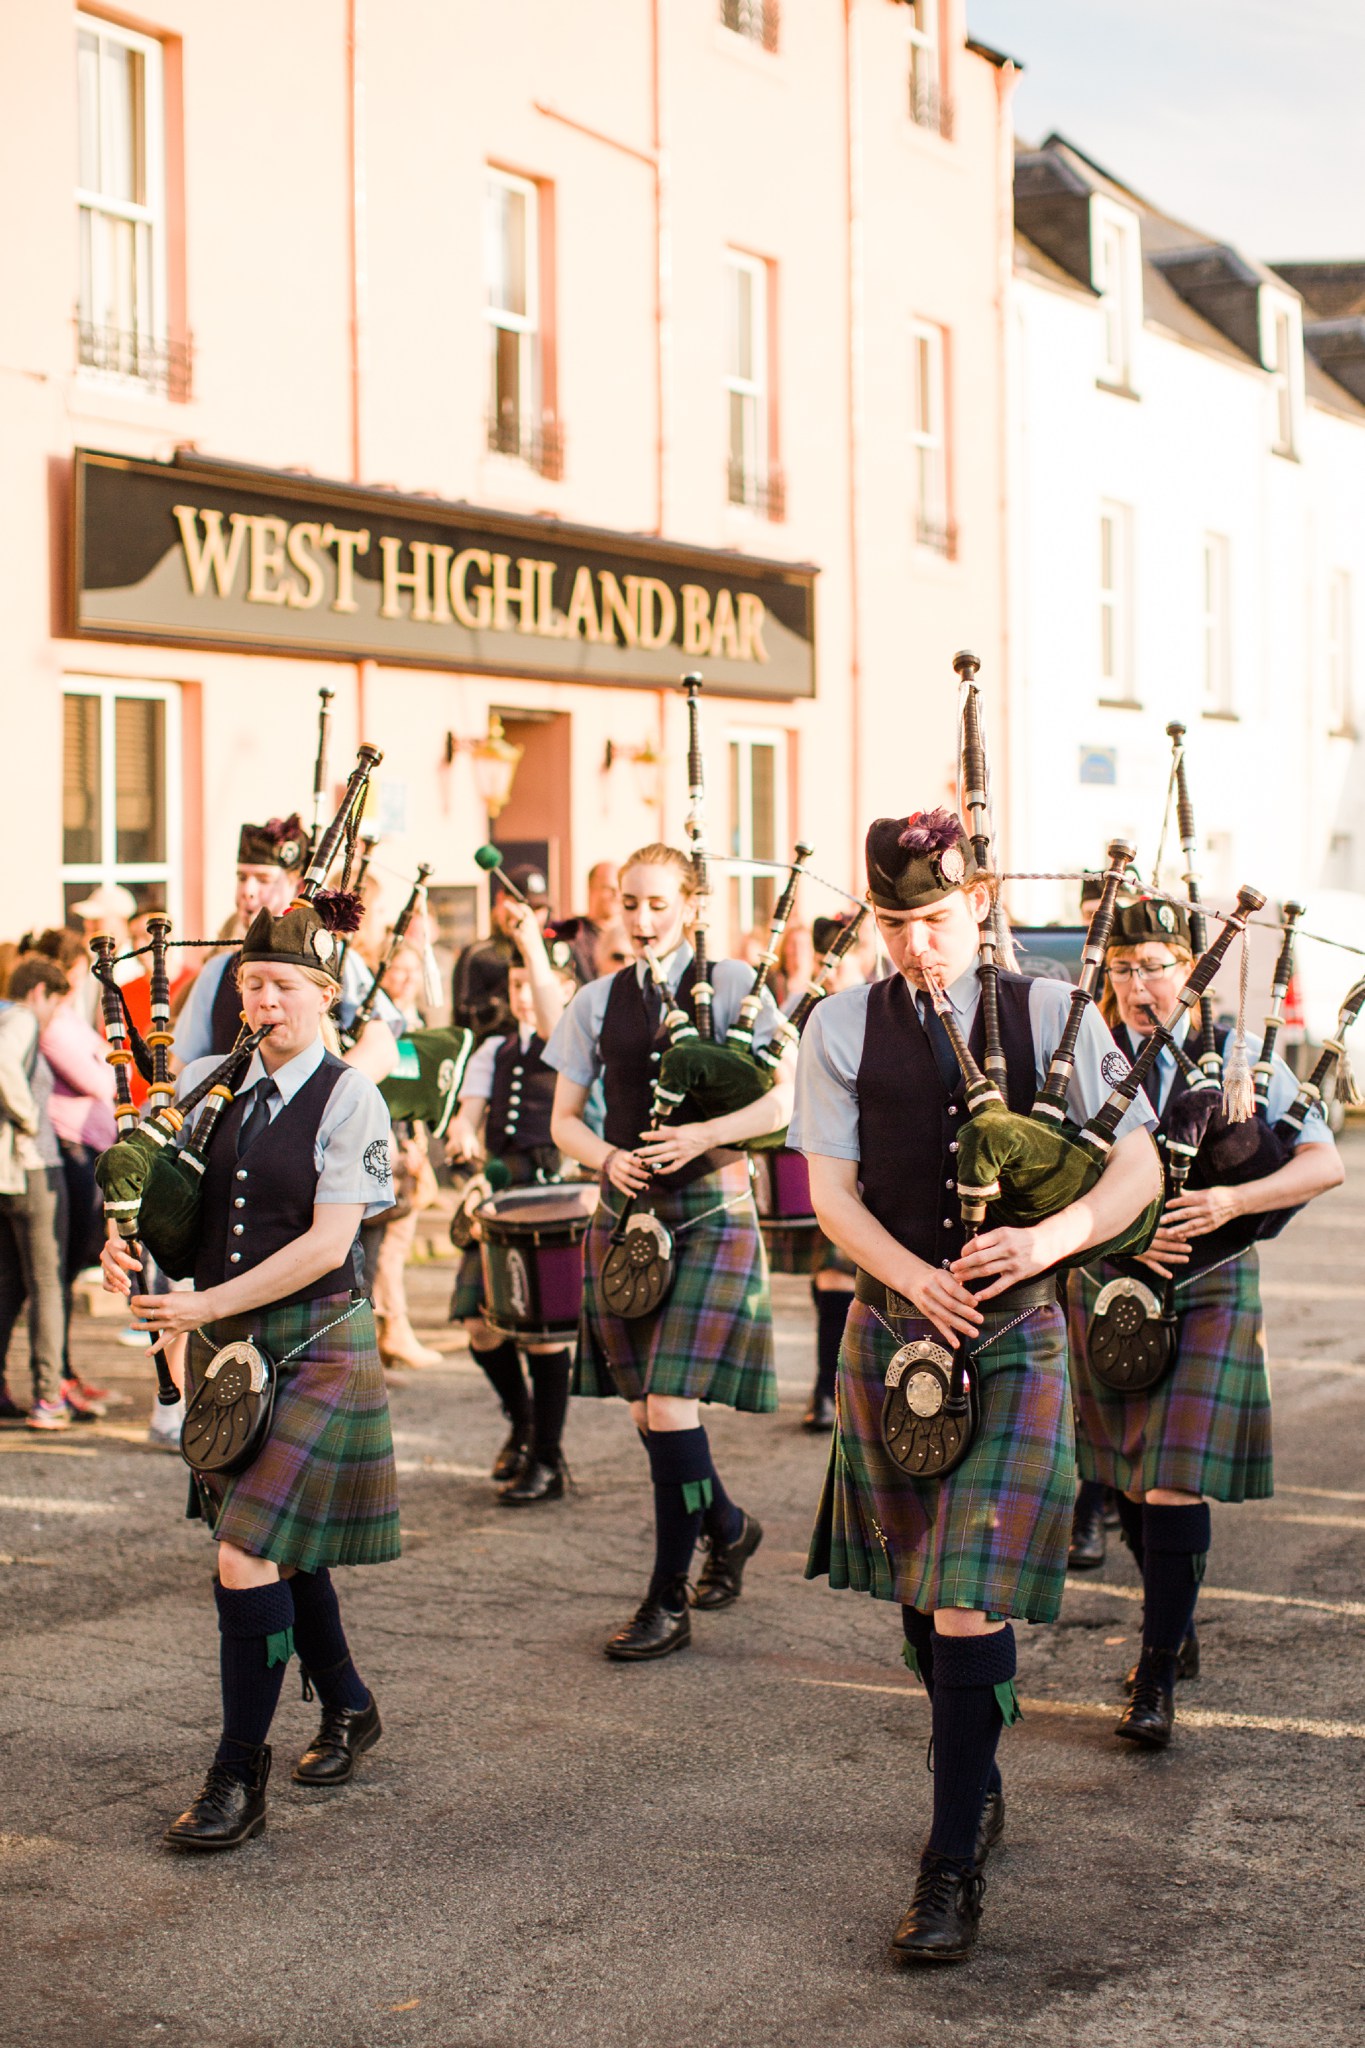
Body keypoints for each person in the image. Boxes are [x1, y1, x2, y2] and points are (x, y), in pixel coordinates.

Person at [791, 808, 1160, 1964]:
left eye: (936, 919)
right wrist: (911, 1278)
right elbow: (833, 1195)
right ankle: (976, 1770)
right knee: (921, 1589)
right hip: (897, 1328)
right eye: (895, 924)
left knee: (962, 1589)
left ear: (981, 900)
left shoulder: (1051, 1009)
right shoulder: (841, 1024)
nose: (916, 944)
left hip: (1016, 1335)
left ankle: (949, 1862)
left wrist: (1052, 1242)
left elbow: (1137, 1164)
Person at [101, 892, 400, 1852]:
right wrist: (131, 1253)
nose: (261, 1000)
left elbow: (329, 1242)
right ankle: (348, 1703)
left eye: (280, 985)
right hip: (230, 1345)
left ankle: (238, 1773)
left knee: (245, 1547)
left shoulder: (351, 1093)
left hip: (315, 1338)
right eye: (249, 985)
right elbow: (169, 1209)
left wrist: (200, 1307)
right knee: (273, 1542)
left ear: (323, 993)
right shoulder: (202, 1081)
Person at [1066, 896, 1343, 1748]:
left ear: (1190, 968)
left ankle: (1153, 1672)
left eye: (1155, 965)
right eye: (1122, 969)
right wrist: (1106, 1233)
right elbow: (1051, 1168)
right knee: (1123, 1478)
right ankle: (1171, 1621)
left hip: (1212, 1278)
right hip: (1111, 1281)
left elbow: (1321, 1165)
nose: (1140, 983)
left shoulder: (1240, 1057)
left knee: (1170, 1477)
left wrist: (1230, 1196)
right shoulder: (1085, 1056)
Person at [546, 844, 795, 1659]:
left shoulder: (735, 987)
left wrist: (703, 1134)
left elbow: (787, 1098)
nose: (642, 921)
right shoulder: (594, 1000)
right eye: (630, 905)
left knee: (667, 1405)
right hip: (625, 1212)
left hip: (710, 1206)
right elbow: (565, 1121)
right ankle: (728, 1525)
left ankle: (666, 1598)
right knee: (643, 1408)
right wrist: (602, 1158)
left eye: (658, 905)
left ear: (690, 905)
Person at [446, 909, 579, 1501]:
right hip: (498, 1199)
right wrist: (464, 1138)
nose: (525, 997)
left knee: (545, 1333)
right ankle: (524, 1423)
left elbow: (559, 1041)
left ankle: (547, 1460)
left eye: (537, 985)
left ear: (565, 988)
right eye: (517, 985)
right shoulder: (491, 1051)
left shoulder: (578, 1044)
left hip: (558, 1195)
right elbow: (468, 1115)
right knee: (478, 1325)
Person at [173, 817, 400, 1081]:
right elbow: (183, 1069)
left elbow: (381, 1051)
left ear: (297, 885)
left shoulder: (332, 958)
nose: (248, 890)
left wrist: (323, 1100)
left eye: (263, 879)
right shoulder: (216, 971)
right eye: (241, 877)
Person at [23, 928, 119, 1416]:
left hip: (86, 1150)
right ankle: (53, 1378)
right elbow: (102, 1078)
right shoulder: (53, 1024)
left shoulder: (65, 1020)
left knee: (62, 1271)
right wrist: (109, 1067)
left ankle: (62, 1370)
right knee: (57, 1273)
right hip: (71, 1151)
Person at [801, 913, 869, 1433]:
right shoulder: (807, 1009)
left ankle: (840, 1388)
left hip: (878, 1166)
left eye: (843, 955)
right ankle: (826, 1386)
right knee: (828, 1277)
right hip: (827, 1161)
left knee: (850, 1276)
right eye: (828, 958)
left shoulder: (881, 1009)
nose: (834, 967)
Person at [0, 958, 74, 1429]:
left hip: (7, 1176)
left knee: (7, 1283)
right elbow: (5, 1065)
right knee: (48, 1284)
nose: (53, 1018)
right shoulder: (23, 1017)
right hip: (33, 1165)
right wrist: (28, 1117)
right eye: (55, 1005)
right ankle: (49, 1396)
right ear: (41, 991)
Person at [451, 863, 552, 1042]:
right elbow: (464, 1017)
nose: (531, 915)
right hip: (492, 1054)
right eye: (525, 905)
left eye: (538, 908)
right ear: (501, 900)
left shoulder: (554, 952)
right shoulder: (478, 954)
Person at [549, 860, 621, 984]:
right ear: (591, 889)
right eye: (609, 888)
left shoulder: (628, 936)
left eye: (620, 888)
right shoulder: (570, 932)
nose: (616, 894)